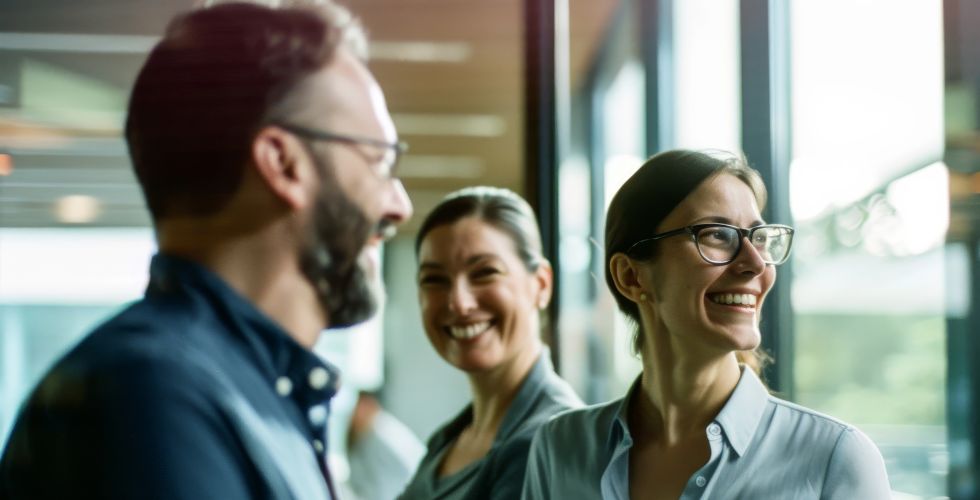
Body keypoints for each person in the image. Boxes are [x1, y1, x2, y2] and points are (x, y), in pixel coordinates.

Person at [0, 2, 412, 498]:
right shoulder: (153, 398)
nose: (399, 204)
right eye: (379, 161)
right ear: (282, 164)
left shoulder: (238, 393)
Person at [522, 150, 891, 499]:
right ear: (632, 277)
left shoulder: (833, 458)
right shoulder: (559, 447)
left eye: (759, 238)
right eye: (716, 234)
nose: (756, 264)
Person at [399, 187, 583, 500]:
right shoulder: (450, 438)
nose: (459, 302)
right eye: (434, 279)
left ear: (541, 284)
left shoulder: (549, 442)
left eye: (484, 273)